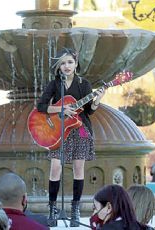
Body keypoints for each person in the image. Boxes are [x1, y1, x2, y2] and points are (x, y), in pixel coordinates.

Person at [37, 47, 106, 227]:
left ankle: (75, 209)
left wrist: (97, 100)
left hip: (80, 129)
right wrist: (60, 109)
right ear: (58, 67)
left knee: (78, 169)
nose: (67, 66)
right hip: (59, 131)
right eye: (63, 63)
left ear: (76, 64)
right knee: (55, 168)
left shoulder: (84, 84)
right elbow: (41, 106)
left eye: (70, 62)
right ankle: (52, 208)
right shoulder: (54, 84)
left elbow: (89, 111)